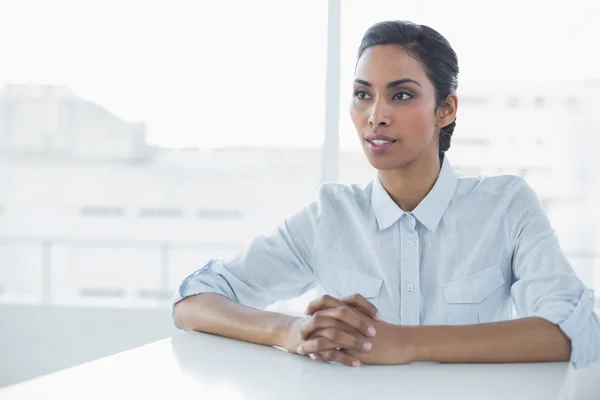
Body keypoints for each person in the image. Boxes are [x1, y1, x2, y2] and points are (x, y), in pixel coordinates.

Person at [172, 20, 600, 368]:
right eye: (363, 95)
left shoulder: (506, 205)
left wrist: (407, 343)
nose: (375, 116)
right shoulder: (331, 215)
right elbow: (195, 301)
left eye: (401, 95)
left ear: (445, 109)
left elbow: (574, 329)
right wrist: (289, 331)